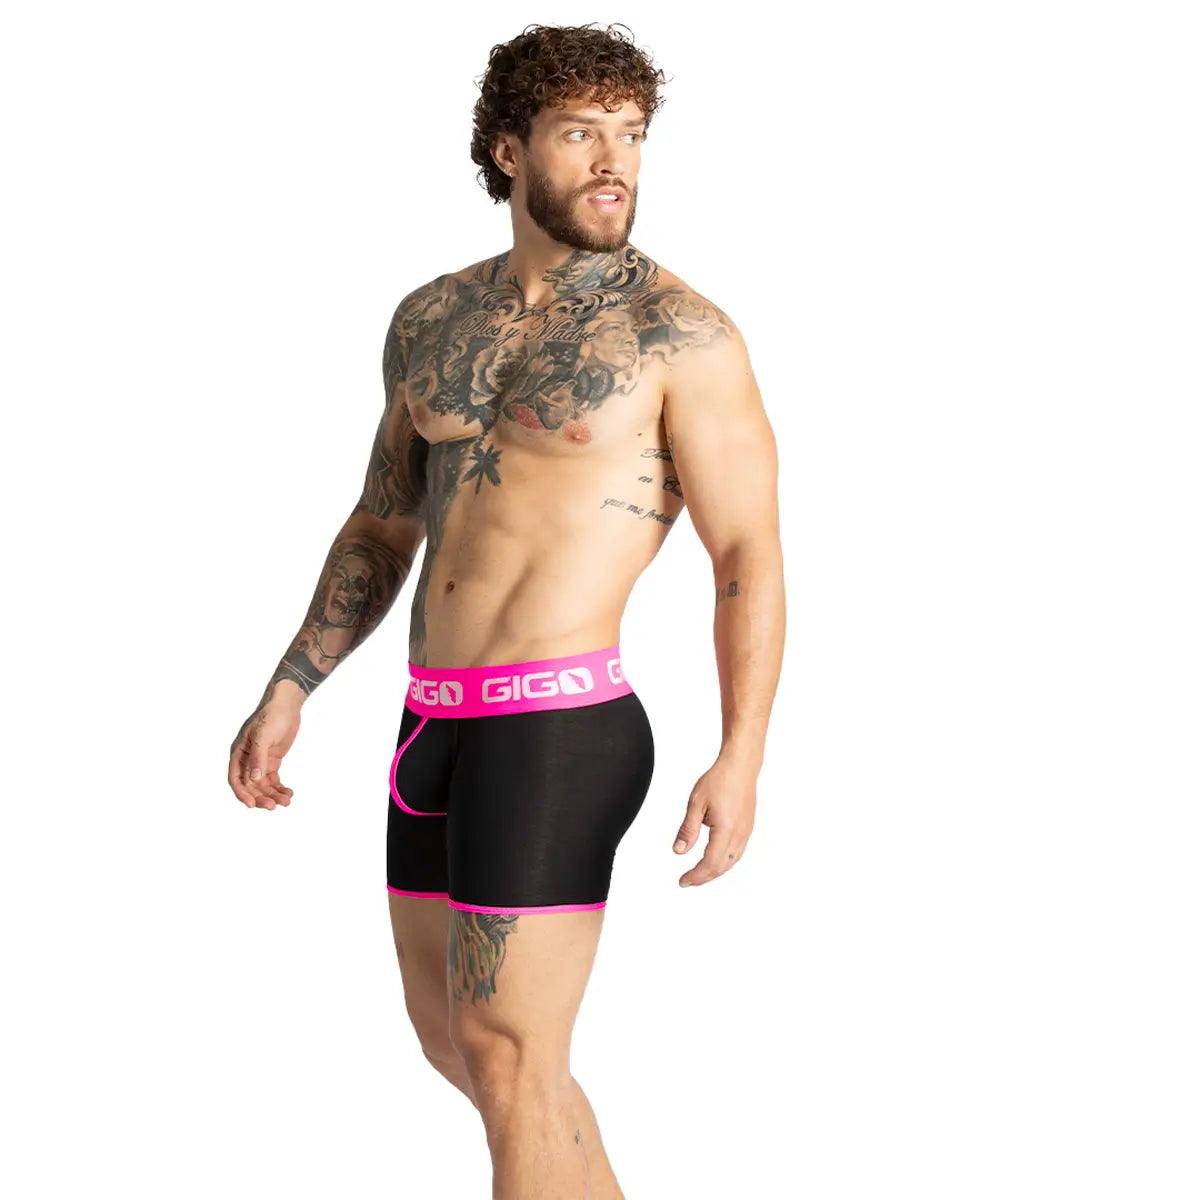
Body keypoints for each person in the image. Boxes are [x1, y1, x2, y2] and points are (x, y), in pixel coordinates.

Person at [227, 21, 785, 1199]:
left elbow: (746, 552)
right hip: (431, 721)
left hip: (559, 725)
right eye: (582, 133)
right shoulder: (433, 318)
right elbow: (383, 522)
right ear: (508, 149)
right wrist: (291, 684)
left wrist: (741, 754)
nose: (615, 161)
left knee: (509, 1052)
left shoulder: (682, 335)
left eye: (632, 134)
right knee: (462, 1048)